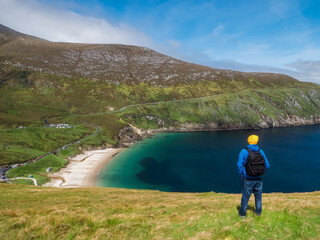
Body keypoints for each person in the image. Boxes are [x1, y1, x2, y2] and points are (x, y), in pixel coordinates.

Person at [237, 135, 270, 217]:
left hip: (248, 178)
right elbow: (267, 165)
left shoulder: (244, 151)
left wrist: (242, 174)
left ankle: (242, 214)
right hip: (258, 178)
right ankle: (258, 213)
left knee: (245, 197)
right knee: (258, 197)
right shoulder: (261, 151)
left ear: (249, 140)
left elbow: (239, 165)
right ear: (256, 141)